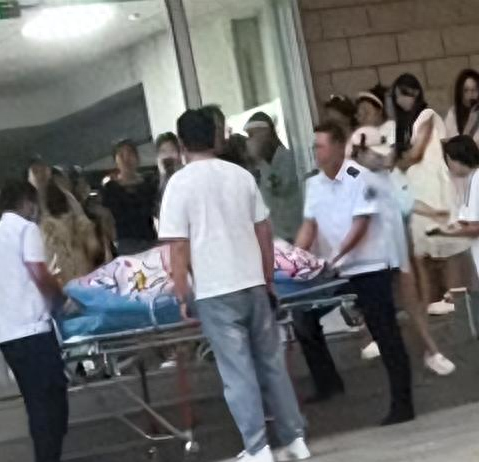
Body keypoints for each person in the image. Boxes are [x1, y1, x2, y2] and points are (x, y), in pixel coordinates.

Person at [159, 109, 309, 462]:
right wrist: (268, 279)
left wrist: (182, 292)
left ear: (181, 144)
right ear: (214, 138)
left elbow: (178, 246)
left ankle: (258, 448)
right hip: (253, 282)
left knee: (237, 372)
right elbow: (264, 232)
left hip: (215, 289)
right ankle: (295, 440)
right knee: (272, 364)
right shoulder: (240, 176)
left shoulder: (178, 185)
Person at [295, 121, 414, 425]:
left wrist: (337, 256)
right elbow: (309, 225)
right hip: (334, 269)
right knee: (304, 318)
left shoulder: (359, 177)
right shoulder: (314, 184)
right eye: (314, 146)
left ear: (338, 147)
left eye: (321, 146)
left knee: (384, 330)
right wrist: (294, 259)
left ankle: (402, 402)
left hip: (368, 266)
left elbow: (361, 224)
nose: (316, 152)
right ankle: (327, 383)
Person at [349, 127, 456, 376]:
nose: (386, 155)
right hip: (382, 254)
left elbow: (407, 203)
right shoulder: (360, 180)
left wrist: (434, 212)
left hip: (403, 248)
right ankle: (424, 350)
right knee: (398, 304)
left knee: (413, 303)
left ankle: (426, 349)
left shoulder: (394, 176)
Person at [0, 181, 67, 462]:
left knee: (36, 403)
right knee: (52, 405)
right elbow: (38, 272)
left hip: (8, 334)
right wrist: (60, 298)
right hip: (33, 330)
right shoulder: (26, 229)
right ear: (27, 203)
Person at [392, 73, 476, 315]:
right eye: (398, 95)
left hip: (435, 186)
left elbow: (417, 153)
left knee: (448, 248)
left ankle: (457, 300)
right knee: (425, 251)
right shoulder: (404, 125)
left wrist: (397, 164)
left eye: (406, 94)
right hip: (419, 188)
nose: (403, 100)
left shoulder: (427, 116)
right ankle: (435, 300)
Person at [245, 112, 303, 243]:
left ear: (265, 133)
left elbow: (277, 186)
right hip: (276, 240)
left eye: (252, 135)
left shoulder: (288, 159)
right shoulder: (260, 168)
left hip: (296, 235)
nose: (248, 141)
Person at [41, 177, 102, 285]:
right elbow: (94, 247)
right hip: (83, 276)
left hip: (60, 281)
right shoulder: (79, 223)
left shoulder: (45, 228)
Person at [102, 140, 158, 255]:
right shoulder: (110, 188)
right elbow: (106, 219)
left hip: (149, 239)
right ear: (115, 161)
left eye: (130, 153)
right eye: (121, 155)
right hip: (125, 242)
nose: (126, 159)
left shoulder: (149, 183)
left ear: (137, 158)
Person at [435, 135, 479, 275]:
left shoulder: (476, 180)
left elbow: (475, 227)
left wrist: (443, 232)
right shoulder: (472, 178)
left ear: (453, 159)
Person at [445, 69, 479, 145]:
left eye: (475, 89)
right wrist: (469, 125)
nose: (471, 94)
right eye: (466, 90)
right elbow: (454, 147)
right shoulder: (453, 114)